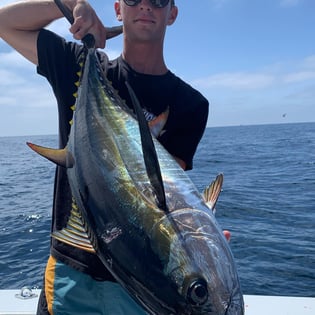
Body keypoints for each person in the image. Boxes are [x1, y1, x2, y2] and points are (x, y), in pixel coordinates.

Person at [0, 0, 230, 314]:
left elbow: (152, 199)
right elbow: (5, 22)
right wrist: (72, 3)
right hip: (71, 270)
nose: (146, 6)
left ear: (172, 13)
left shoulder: (189, 105)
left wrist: (198, 240)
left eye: (159, 0)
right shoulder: (76, 63)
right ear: (118, 9)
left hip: (141, 283)